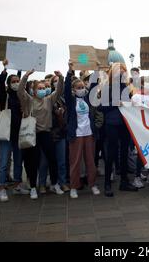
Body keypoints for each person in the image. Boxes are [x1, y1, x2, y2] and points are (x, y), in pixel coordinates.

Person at [17, 69, 64, 200]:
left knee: (52, 159)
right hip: (33, 135)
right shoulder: (28, 100)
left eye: (44, 88)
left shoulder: (49, 99)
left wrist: (61, 78)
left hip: (46, 134)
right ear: (34, 90)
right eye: (40, 88)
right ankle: (33, 187)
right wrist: (26, 76)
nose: (43, 90)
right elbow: (20, 91)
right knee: (33, 162)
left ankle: (55, 184)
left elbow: (59, 91)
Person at [99, 62, 138, 197]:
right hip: (112, 124)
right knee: (111, 153)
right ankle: (107, 185)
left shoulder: (127, 87)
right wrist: (114, 104)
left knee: (124, 153)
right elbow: (100, 107)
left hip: (125, 123)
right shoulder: (107, 88)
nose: (121, 71)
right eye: (118, 69)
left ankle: (124, 181)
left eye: (123, 69)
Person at [65, 61, 100, 198]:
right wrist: (69, 71)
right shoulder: (71, 100)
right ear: (74, 90)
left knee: (91, 161)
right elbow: (66, 88)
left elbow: (93, 86)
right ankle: (74, 186)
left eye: (82, 87)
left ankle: (92, 184)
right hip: (77, 135)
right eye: (78, 87)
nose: (81, 89)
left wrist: (96, 70)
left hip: (89, 134)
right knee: (75, 162)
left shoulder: (87, 98)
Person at [0, 60, 28, 201]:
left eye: (18, 80)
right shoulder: (5, 96)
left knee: (18, 160)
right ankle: (2, 188)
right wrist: (5, 69)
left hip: (18, 134)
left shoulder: (22, 96)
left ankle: (17, 185)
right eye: (13, 81)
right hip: (6, 135)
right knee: (4, 162)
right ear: (9, 84)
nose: (16, 82)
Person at [50, 74, 69, 193]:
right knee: (51, 161)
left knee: (62, 161)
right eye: (55, 81)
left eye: (58, 81)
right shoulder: (50, 97)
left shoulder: (64, 98)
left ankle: (62, 182)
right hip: (51, 133)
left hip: (62, 132)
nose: (57, 83)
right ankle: (53, 182)